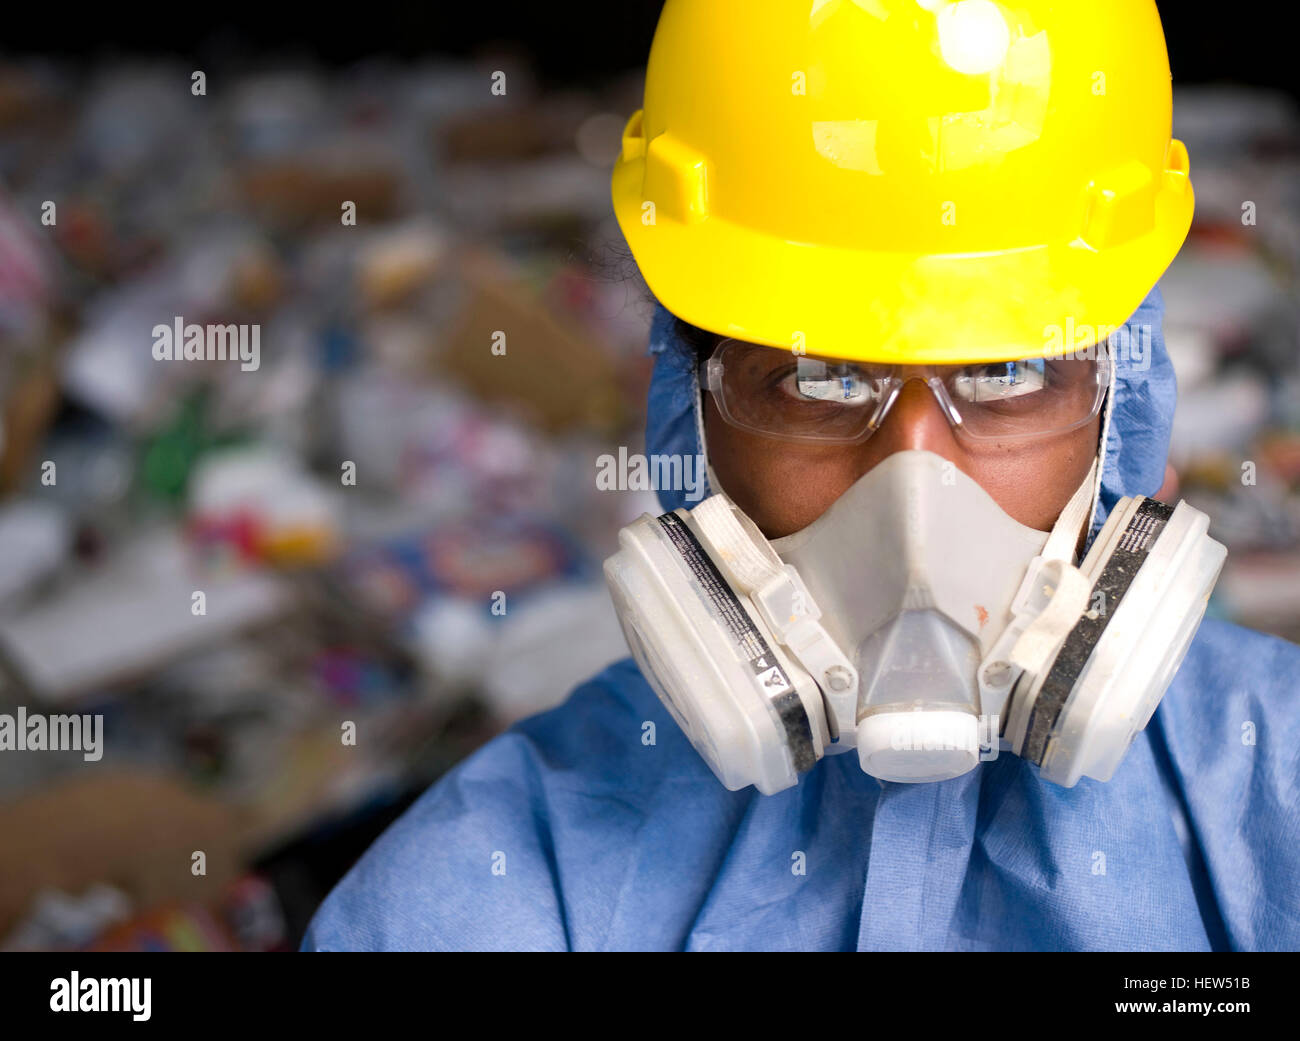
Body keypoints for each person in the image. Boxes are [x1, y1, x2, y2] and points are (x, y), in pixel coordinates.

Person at [301, 0, 1300, 950]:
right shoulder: (492, 883)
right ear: (688, 414)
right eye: (817, 381)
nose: (914, 488)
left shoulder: (1275, 791)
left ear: (1123, 406)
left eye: (1007, 373)